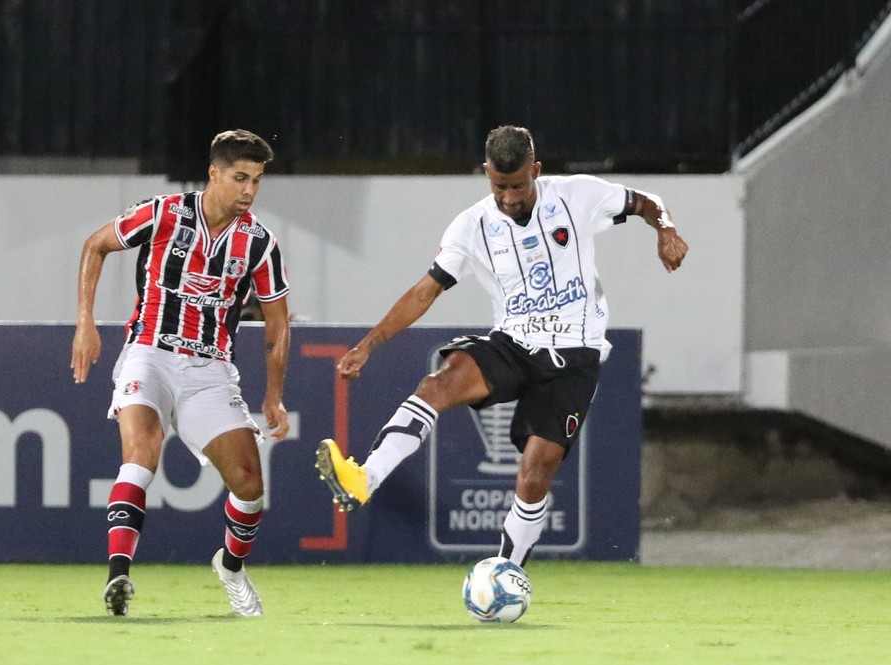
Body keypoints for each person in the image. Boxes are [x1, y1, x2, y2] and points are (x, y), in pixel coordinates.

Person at [316, 125, 688, 568]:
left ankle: (508, 571)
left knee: (534, 474)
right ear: (486, 172)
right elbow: (424, 292)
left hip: (575, 356)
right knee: (438, 383)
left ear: (537, 170)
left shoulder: (577, 195)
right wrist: (368, 345)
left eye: (518, 185)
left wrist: (665, 230)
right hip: (514, 343)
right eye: (499, 186)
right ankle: (365, 478)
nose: (509, 197)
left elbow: (647, 203)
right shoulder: (471, 226)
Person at [71, 129, 290, 617]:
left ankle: (231, 568)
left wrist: (274, 393)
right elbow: (96, 245)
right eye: (240, 178)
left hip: (210, 368)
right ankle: (119, 575)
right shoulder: (164, 213)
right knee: (142, 453)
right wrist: (85, 322)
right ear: (214, 173)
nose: (249, 191)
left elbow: (278, 324)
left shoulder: (259, 243)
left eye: (256, 180)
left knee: (250, 484)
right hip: (149, 352)